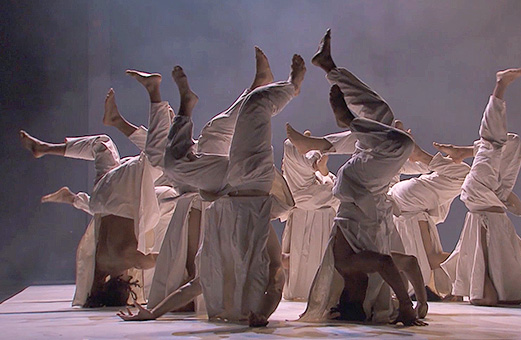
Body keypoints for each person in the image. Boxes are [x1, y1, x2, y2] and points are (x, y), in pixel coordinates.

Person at [118, 49, 305, 327]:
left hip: (222, 187)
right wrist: (264, 312)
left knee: (175, 163)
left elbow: (193, 286)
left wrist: (152, 312)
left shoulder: (215, 262)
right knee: (256, 105)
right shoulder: (258, 247)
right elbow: (278, 275)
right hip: (253, 181)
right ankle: (291, 86)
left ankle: (188, 104)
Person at [294, 29, 425, 326]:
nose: (364, 288)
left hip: (360, 185)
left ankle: (348, 122)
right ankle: (329, 67)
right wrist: (422, 301)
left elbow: (385, 263)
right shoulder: (362, 271)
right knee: (380, 113)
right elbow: (408, 263)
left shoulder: (348, 265)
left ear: (349, 296)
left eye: (358, 293)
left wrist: (405, 304)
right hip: (369, 190)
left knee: (401, 145)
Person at [19, 87, 172, 306]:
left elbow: (173, 259)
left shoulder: (134, 259)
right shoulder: (99, 267)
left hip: (120, 199)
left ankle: (153, 94)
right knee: (101, 145)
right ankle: (44, 148)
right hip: (101, 198)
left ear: (126, 283)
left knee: (161, 156)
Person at [439, 68, 521, 306]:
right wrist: (500, 88)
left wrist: (462, 151)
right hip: (480, 195)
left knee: (503, 143)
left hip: (484, 197)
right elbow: (491, 137)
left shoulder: (496, 167)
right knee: (494, 141)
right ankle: (500, 85)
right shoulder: (488, 160)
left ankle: (500, 87)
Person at [388, 126, 471, 300]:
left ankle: (476, 276)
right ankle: (477, 276)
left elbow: (423, 168)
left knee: (462, 176)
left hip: (404, 200)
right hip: (401, 199)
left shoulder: (383, 158)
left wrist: (410, 152)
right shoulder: (378, 156)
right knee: (463, 176)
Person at [281, 134, 339, 301]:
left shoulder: (317, 179)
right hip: (305, 202)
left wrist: (323, 171)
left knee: (330, 187)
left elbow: (333, 190)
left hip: (313, 205)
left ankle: (316, 162)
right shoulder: (293, 175)